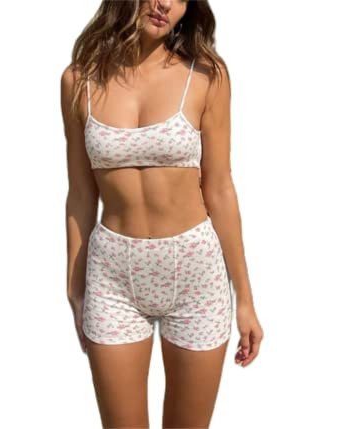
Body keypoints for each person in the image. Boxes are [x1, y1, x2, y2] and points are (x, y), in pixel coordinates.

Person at [60, 1, 263, 427]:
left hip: (195, 274)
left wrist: (245, 299)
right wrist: (75, 290)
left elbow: (220, 188)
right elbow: (80, 194)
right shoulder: (79, 80)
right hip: (113, 277)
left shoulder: (206, 75)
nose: (164, 4)